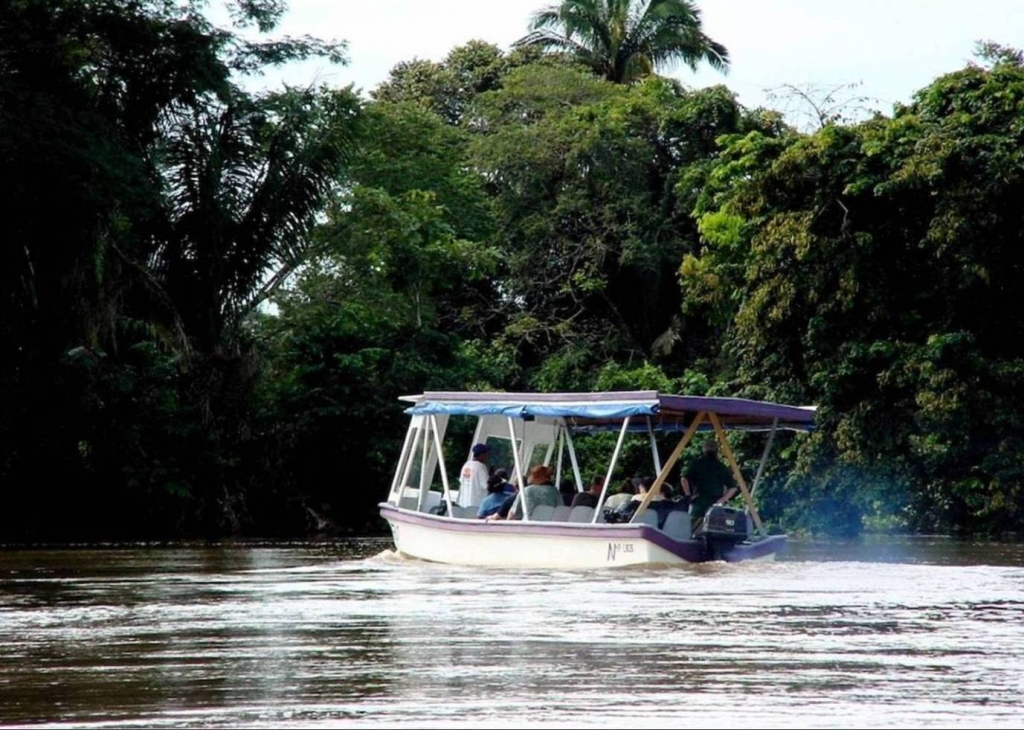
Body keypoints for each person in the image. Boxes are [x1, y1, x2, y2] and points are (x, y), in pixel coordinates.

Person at [681, 439, 738, 527]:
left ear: (703, 450)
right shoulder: (721, 467)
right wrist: (721, 500)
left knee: (693, 528)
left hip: (699, 502)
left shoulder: (696, 464)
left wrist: (688, 495)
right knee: (715, 527)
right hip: (715, 504)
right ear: (716, 450)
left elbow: (684, 480)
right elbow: (733, 487)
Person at [493, 464, 560, 520]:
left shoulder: (526, 491)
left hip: (529, 528)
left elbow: (512, 515)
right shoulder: (556, 493)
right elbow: (561, 511)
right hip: (550, 529)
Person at [458, 443, 490, 508]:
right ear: (481, 454)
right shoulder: (481, 467)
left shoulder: (466, 465)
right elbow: (487, 485)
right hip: (475, 504)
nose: (487, 456)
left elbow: (461, 480)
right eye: (486, 454)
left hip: (463, 503)